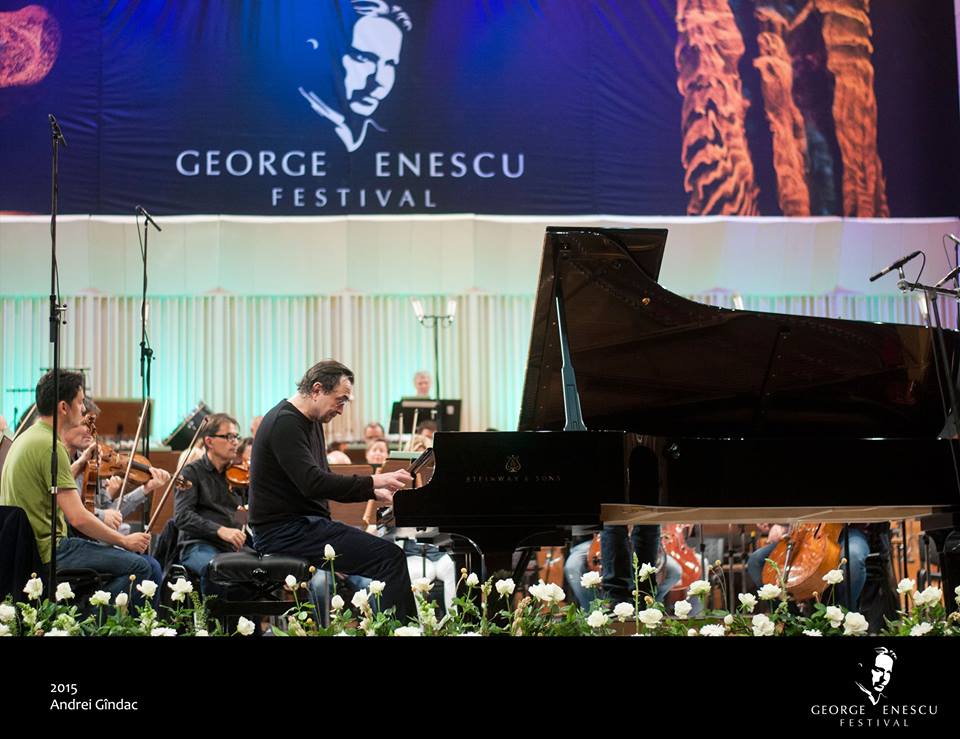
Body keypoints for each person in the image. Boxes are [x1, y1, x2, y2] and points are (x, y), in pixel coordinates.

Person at [249, 360, 415, 619]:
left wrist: (372, 493)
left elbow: (322, 480)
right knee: (390, 558)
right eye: (340, 400)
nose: (341, 409)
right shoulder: (285, 423)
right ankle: (402, 630)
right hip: (283, 532)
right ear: (317, 390)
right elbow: (313, 483)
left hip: (303, 527)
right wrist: (374, 481)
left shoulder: (311, 421)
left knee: (388, 556)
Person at [0, 371, 152, 602]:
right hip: (51, 549)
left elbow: (50, 489)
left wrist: (80, 465)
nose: (83, 410)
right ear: (64, 407)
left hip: (27, 547)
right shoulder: (51, 447)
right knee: (140, 567)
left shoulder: (27, 438)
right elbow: (78, 518)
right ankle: (86, 616)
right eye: (80, 403)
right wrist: (124, 540)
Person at [299, 0, 412, 152]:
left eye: (389, 64)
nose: (379, 81)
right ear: (318, 51)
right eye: (363, 58)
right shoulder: (289, 120)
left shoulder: (385, 135)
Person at [174, 413, 254, 595]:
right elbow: (182, 516)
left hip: (231, 547)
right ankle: (214, 614)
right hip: (198, 545)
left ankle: (249, 615)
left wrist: (242, 521)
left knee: (261, 570)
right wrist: (220, 530)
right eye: (229, 437)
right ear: (209, 441)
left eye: (236, 437)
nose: (235, 442)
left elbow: (239, 514)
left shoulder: (237, 475)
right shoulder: (190, 473)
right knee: (216, 568)